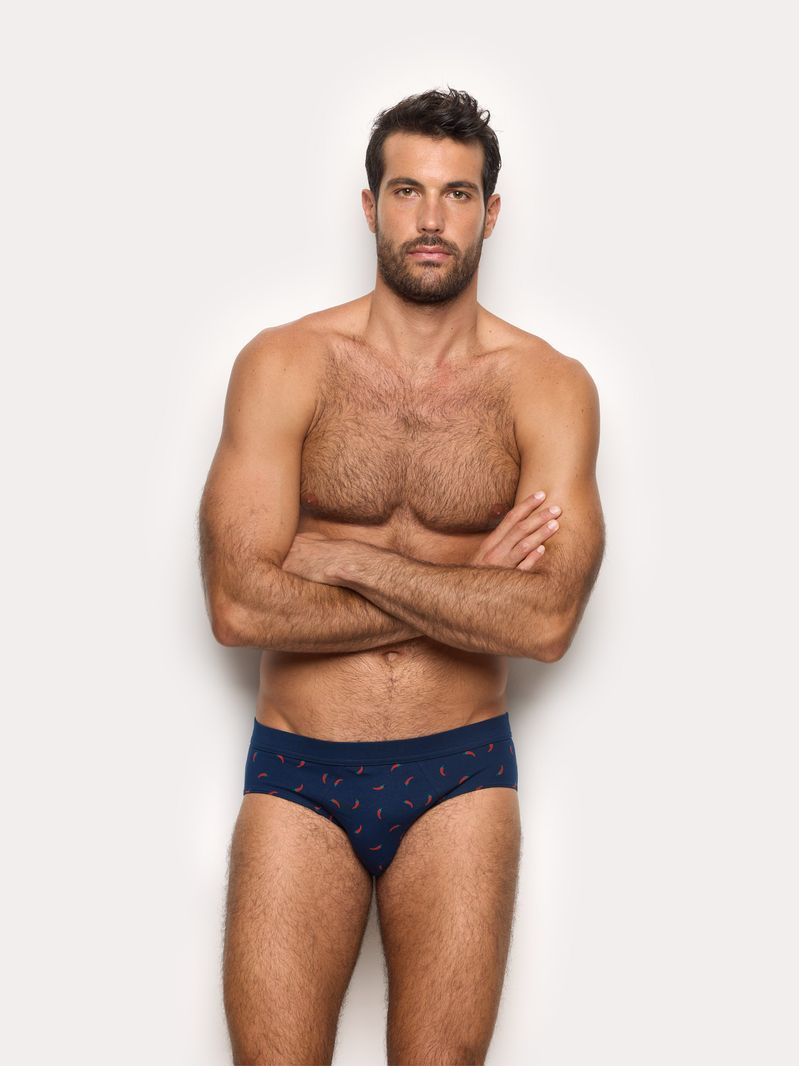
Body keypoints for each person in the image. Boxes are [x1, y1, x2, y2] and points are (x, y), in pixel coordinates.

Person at [198, 86, 605, 1066]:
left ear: (490, 213)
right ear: (369, 204)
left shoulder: (548, 385)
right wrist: (466, 587)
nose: (431, 218)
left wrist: (342, 557)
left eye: (457, 194)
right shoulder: (284, 364)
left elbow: (546, 621)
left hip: (459, 776)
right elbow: (239, 603)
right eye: (407, 191)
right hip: (298, 772)